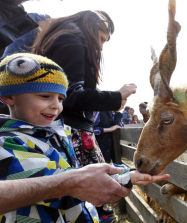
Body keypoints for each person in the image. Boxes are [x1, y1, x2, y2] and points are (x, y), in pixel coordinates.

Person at [0, 53, 170, 221]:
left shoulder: (56, 133)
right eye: (45, 96)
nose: (56, 106)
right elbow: (64, 190)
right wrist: (126, 178)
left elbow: (73, 174)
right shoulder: (10, 143)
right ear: (9, 97)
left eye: (60, 99)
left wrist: (128, 172)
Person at [31, 10, 136, 166]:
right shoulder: (71, 41)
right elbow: (69, 93)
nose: (100, 47)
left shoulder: (62, 39)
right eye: (101, 39)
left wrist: (113, 101)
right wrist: (116, 96)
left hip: (63, 128)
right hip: (70, 132)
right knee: (88, 187)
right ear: (91, 26)